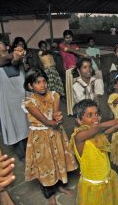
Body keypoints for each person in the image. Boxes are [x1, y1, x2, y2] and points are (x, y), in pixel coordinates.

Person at [22, 68, 78, 204]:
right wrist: (56, 121)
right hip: (40, 138)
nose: (43, 85)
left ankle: (60, 186)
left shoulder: (54, 95)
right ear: (30, 86)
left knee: (58, 160)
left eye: (44, 81)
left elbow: (55, 115)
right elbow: (47, 121)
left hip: (56, 134)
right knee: (45, 164)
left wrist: (58, 119)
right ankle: (50, 194)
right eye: (38, 83)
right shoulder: (29, 103)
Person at [71, 99, 118, 205]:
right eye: (90, 115)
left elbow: (111, 129)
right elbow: (99, 127)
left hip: (108, 178)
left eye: (97, 114)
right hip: (94, 185)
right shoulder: (78, 137)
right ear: (79, 120)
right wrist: (117, 120)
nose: (95, 118)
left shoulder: (98, 133)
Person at [0, 38, 28, 160]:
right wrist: (13, 55)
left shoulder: (17, 55)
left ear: (7, 45)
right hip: (7, 98)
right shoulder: (2, 59)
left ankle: (32, 150)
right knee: (13, 124)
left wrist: (17, 56)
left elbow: (15, 62)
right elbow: (3, 60)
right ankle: (22, 154)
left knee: (27, 122)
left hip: (21, 95)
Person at [59, 30, 88, 115]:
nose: (68, 39)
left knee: (79, 90)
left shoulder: (75, 46)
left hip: (77, 70)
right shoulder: (61, 45)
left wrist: (82, 55)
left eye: (70, 37)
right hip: (69, 71)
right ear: (64, 38)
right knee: (71, 91)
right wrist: (81, 54)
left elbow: (79, 53)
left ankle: (81, 109)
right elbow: (69, 50)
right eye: (66, 37)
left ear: (72, 38)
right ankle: (72, 111)